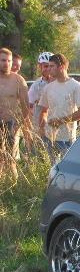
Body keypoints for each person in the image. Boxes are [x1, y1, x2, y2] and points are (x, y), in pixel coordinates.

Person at [38, 53, 80, 160]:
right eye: (48, 66)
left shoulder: (76, 86)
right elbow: (44, 110)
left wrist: (60, 121)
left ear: (62, 67)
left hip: (67, 138)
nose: (48, 69)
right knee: (52, 170)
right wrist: (42, 128)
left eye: (52, 66)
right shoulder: (48, 87)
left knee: (66, 170)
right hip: (49, 137)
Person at [0, 47, 30, 178]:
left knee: (10, 159)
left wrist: (18, 126)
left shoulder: (18, 81)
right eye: (3, 60)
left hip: (10, 124)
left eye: (9, 60)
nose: (6, 63)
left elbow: (25, 108)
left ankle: (14, 185)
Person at [28, 52, 54, 139]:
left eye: (51, 66)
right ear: (40, 67)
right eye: (46, 66)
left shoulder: (59, 83)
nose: (48, 69)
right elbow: (28, 106)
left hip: (57, 128)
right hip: (40, 128)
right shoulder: (36, 85)